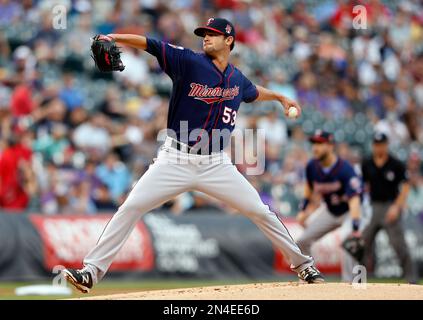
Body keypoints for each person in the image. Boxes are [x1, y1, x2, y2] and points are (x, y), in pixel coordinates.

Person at [62, 18, 324, 293]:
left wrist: (280, 98)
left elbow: (253, 92)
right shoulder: (188, 61)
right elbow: (151, 44)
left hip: (216, 164)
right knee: (130, 208)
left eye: (213, 34)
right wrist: (114, 37)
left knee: (260, 211)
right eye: (204, 34)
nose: (206, 37)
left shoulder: (237, 78)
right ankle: (90, 272)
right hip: (175, 159)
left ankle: (303, 265)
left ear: (229, 40)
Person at [296, 130, 363, 281]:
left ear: (331, 146)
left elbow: (355, 200)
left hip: (349, 212)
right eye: (314, 143)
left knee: (349, 241)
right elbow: (309, 189)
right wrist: (303, 209)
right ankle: (309, 279)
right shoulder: (312, 167)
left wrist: (356, 226)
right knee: (302, 241)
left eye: (320, 143)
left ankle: (350, 286)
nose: (315, 147)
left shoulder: (345, 169)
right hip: (330, 211)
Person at [361, 132, 417, 283]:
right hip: (373, 207)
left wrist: (397, 207)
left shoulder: (396, 163)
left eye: (381, 144)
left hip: (390, 206)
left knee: (399, 244)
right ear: (373, 146)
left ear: (386, 145)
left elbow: (405, 186)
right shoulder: (367, 163)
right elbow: (364, 186)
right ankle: (359, 280)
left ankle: (411, 280)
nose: (379, 148)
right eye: (376, 145)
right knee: (363, 243)